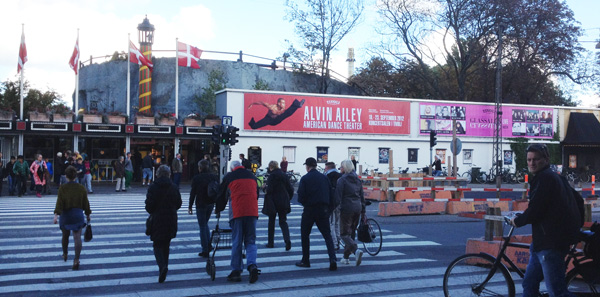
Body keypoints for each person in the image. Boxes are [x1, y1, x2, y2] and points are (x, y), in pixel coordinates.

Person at [509, 144, 581, 297]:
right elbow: (579, 201)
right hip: (542, 243)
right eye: (529, 160)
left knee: (557, 291)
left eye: (536, 159)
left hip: (551, 244)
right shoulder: (556, 177)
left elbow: (535, 210)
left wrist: (518, 221)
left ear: (546, 159)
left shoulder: (544, 179)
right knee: (529, 284)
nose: (532, 163)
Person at [215, 160, 260, 284]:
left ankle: (236, 271)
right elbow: (257, 195)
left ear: (232, 168)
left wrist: (218, 209)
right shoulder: (252, 176)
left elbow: (222, 195)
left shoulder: (229, 177)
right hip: (252, 212)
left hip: (237, 212)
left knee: (237, 241)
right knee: (250, 240)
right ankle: (252, 266)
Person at [295, 157, 337, 271]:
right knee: (327, 235)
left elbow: (300, 197)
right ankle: (332, 259)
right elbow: (331, 194)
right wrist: (328, 209)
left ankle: (306, 260)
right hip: (323, 209)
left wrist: (306, 203)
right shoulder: (324, 178)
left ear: (307, 167)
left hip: (309, 209)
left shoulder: (305, 178)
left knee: (305, 234)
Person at [145, 165, 182, 283]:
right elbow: (179, 203)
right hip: (171, 218)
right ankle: (165, 265)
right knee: (166, 244)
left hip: (157, 218)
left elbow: (149, 207)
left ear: (158, 174)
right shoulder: (174, 187)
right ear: (169, 174)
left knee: (157, 244)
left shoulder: (153, 187)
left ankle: (162, 266)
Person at [53, 165, 91, 271]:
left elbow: (59, 203)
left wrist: (56, 215)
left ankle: (65, 254)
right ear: (75, 176)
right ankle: (76, 260)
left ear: (66, 176)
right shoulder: (81, 188)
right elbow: (86, 204)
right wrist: (88, 214)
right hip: (77, 214)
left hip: (66, 215)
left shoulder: (63, 188)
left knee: (65, 235)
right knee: (77, 237)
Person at [335, 160, 365, 266]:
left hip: (346, 208)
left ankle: (356, 250)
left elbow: (338, 197)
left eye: (341, 167)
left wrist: (334, 208)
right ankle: (346, 257)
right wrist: (363, 211)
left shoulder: (342, 180)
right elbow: (362, 196)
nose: (340, 169)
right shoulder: (357, 179)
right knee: (351, 232)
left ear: (345, 168)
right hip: (358, 207)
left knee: (344, 234)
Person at [188, 159, 217, 258]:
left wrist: (190, 205)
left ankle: (205, 249)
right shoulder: (213, 177)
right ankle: (208, 244)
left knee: (202, 226)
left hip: (200, 203)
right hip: (210, 203)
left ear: (200, 168)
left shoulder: (197, 178)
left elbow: (193, 193)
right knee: (205, 224)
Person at [262, 160, 294, 250]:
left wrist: (264, 187)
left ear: (271, 167)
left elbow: (270, 190)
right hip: (283, 201)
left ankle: (270, 243)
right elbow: (290, 189)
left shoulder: (272, 176)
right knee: (283, 222)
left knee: (271, 222)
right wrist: (288, 198)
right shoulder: (284, 175)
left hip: (273, 202)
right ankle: (287, 240)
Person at [324, 161, 342, 250]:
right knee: (337, 223)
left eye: (325, 168)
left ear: (327, 168)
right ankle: (338, 240)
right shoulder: (341, 176)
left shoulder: (327, 177)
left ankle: (334, 243)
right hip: (340, 202)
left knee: (331, 223)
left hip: (331, 203)